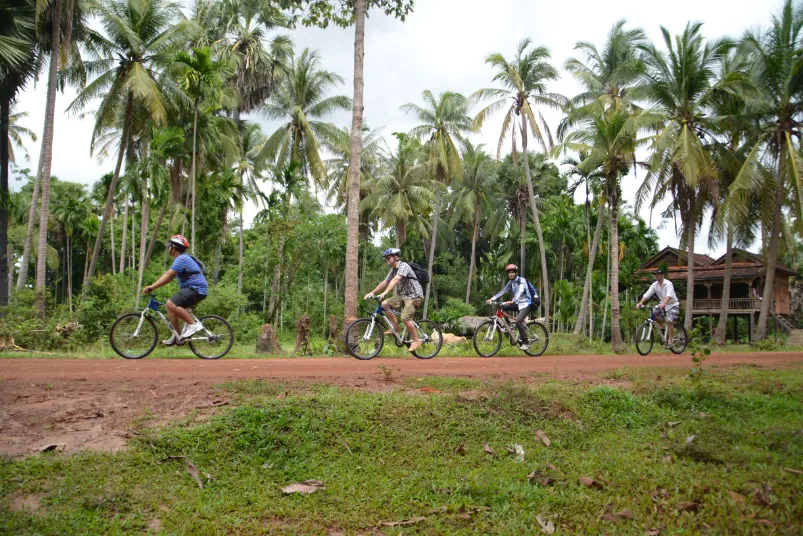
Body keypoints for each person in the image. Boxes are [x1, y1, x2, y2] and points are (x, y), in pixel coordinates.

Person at [142, 235, 209, 345]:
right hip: (195, 289)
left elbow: (169, 275)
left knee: (170, 303)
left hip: (196, 289)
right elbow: (170, 277)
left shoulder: (182, 258)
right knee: (170, 308)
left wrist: (152, 286)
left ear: (174, 247)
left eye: (169, 246)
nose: (168, 248)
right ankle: (177, 336)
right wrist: (156, 286)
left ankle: (193, 325)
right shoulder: (182, 259)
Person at [363, 248, 423, 353]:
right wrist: (372, 293)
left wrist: (385, 293)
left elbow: (396, 280)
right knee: (384, 304)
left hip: (415, 296)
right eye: (385, 258)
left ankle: (416, 340)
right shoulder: (393, 270)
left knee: (405, 318)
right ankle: (396, 327)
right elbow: (385, 282)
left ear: (396, 257)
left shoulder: (403, 266)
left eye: (388, 257)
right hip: (403, 296)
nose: (387, 260)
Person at [486, 264, 534, 351]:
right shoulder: (511, 282)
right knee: (502, 306)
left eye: (512, 272)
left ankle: (526, 342)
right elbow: (503, 291)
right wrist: (492, 299)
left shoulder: (521, 281)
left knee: (518, 321)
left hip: (526, 304)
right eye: (509, 273)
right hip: (518, 303)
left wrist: (513, 300)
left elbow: (520, 291)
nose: (511, 274)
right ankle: (509, 326)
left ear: (516, 273)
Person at [636, 269, 680, 349]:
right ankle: (662, 327)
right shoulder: (654, 285)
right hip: (662, 304)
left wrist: (664, 304)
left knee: (669, 321)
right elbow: (647, 294)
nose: (658, 276)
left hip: (672, 305)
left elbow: (669, 296)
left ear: (663, 276)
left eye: (659, 275)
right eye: (656, 275)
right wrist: (640, 303)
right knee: (654, 314)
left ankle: (670, 342)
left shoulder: (668, 284)